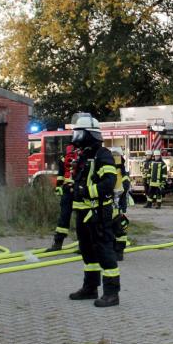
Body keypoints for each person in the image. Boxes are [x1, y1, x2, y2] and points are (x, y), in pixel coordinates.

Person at [67, 114, 120, 307]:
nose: (76, 137)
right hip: (83, 213)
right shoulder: (84, 156)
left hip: (98, 213)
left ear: (89, 134)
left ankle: (112, 293)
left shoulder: (102, 155)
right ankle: (90, 288)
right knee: (87, 252)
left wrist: (86, 191)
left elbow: (109, 183)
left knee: (104, 251)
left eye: (79, 133)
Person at [47, 144, 78, 252]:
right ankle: (83, 246)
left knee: (64, 217)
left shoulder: (63, 158)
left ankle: (57, 243)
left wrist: (58, 187)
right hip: (78, 190)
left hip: (67, 190)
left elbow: (60, 175)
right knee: (81, 218)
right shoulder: (81, 156)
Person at [111, 147, 131, 261]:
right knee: (118, 229)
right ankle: (118, 251)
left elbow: (125, 185)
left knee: (116, 228)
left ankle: (118, 251)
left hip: (114, 204)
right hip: (116, 204)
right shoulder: (121, 168)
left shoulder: (120, 169)